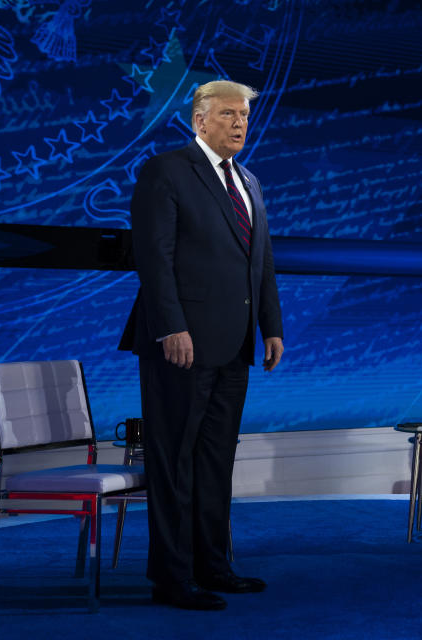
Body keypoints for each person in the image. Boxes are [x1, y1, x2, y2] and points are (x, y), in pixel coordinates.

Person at [119, 80, 284, 610]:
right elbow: (154, 257)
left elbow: (260, 264)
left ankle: (213, 566)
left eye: (244, 115)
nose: (239, 123)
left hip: (233, 347)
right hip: (180, 345)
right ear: (200, 121)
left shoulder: (251, 182)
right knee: (174, 463)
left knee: (215, 462)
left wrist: (271, 326)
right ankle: (172, 578)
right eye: (229, 114)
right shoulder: (167, 171)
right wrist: (171, 327)